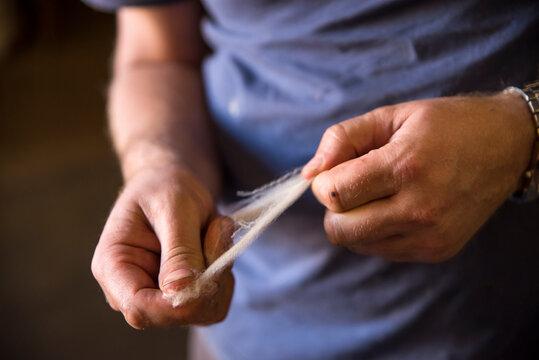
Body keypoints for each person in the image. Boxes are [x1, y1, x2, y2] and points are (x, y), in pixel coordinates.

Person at [84, 0, 539, 358]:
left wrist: (521, 134)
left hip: (505, 320)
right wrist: (160, 164)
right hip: (256, 328)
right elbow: (155, 52)